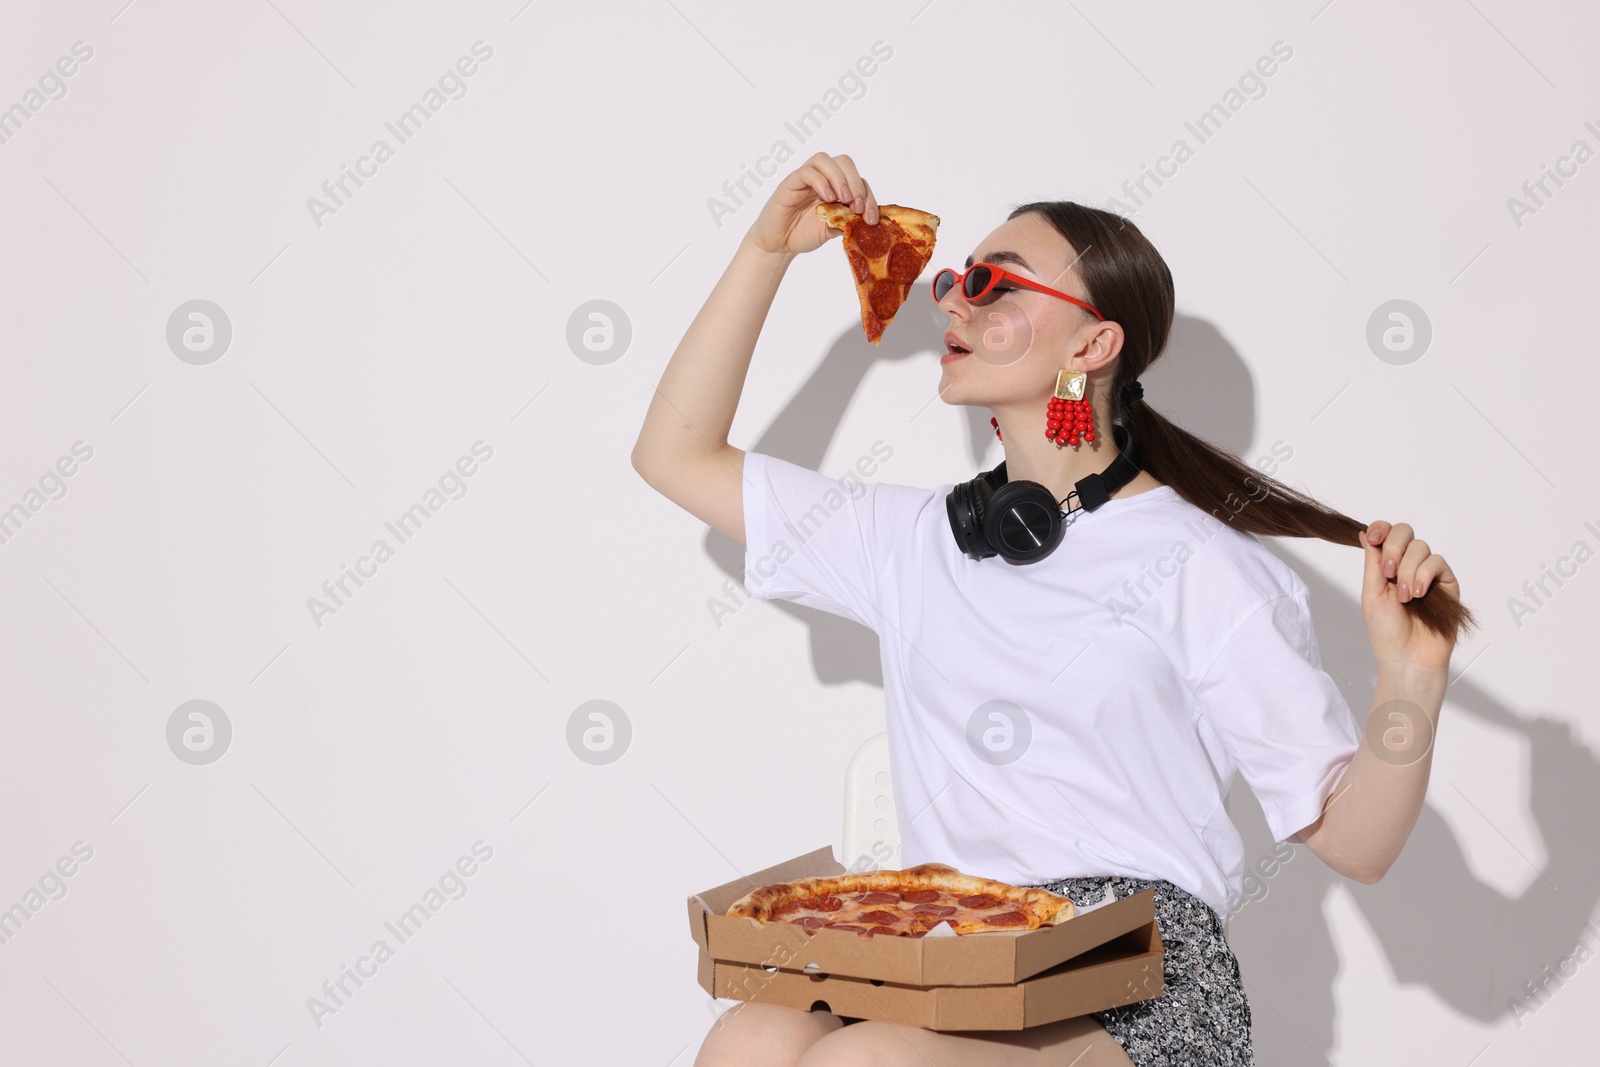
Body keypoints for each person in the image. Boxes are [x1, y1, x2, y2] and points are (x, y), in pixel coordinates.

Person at [632, 152, 1477, 1067]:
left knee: (864, 1062)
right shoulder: (914, 542)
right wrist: (768, 250)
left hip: (1135, 976)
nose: (955, 302)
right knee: (748, 1039)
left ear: (1091, 345)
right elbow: (674, 456)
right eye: (958, 280)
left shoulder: (1203, 567)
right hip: (954, 957)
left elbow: (1357, 843)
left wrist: (1412, 675)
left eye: (995, 285)